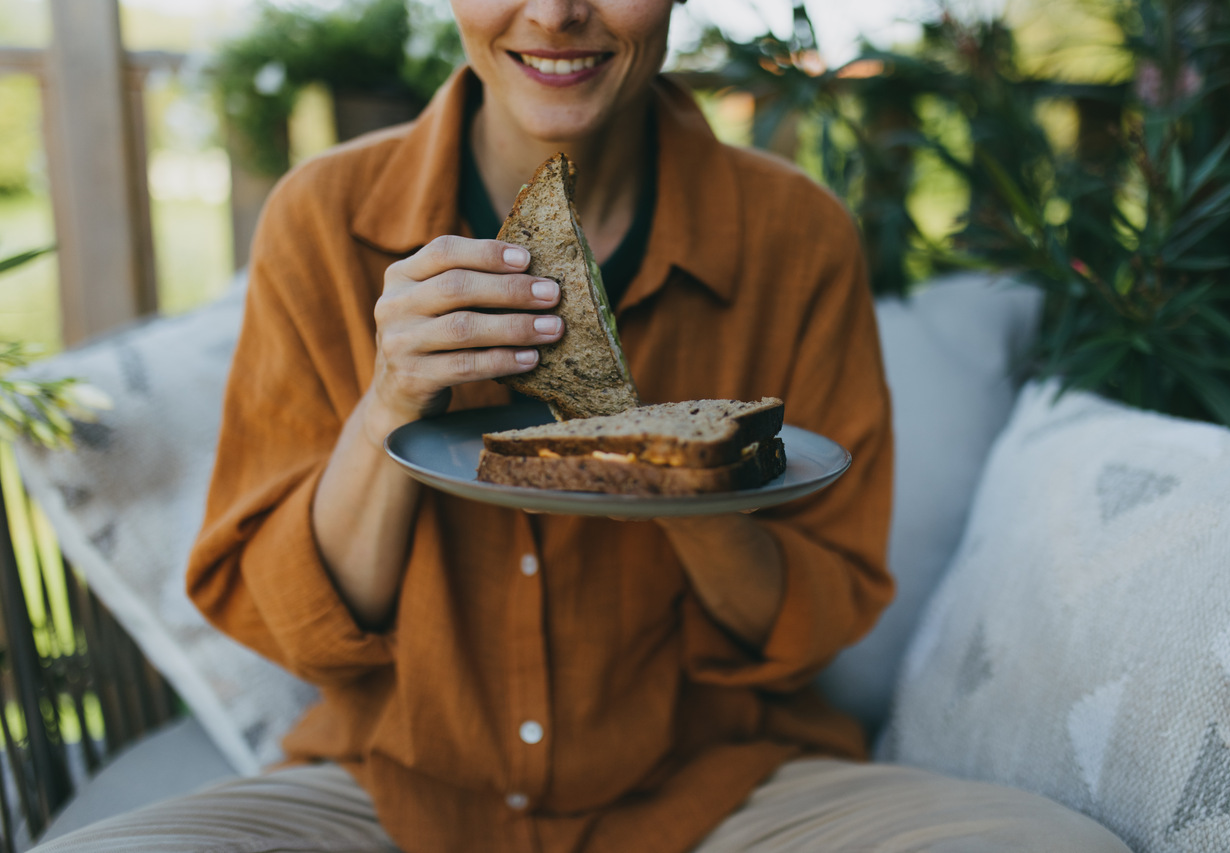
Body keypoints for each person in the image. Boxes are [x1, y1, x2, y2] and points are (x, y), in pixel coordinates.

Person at [34, 1, 1133, 851]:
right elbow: (294, 628)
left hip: (715, 791)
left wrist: (685, 476)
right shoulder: (323, 220)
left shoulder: (795, 237)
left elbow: (814, 621)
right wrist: (391, 403)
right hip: (391, 789)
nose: (556, 13)